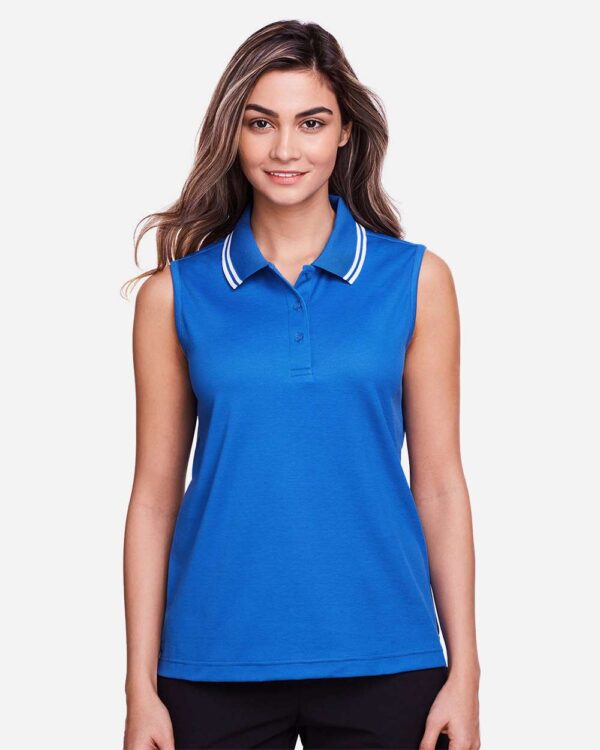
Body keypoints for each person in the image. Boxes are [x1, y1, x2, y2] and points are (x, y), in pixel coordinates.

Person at [122, 19, 481, 750]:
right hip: (212, 660)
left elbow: (441, 485)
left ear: (346, 132)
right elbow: (154, 498)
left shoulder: (416, 281)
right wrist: (138, 688)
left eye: (311, 122)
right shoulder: (175, 296)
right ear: (233, 134)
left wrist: (466, 672)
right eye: (261, 123)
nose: (286, 149)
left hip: (387, 654)